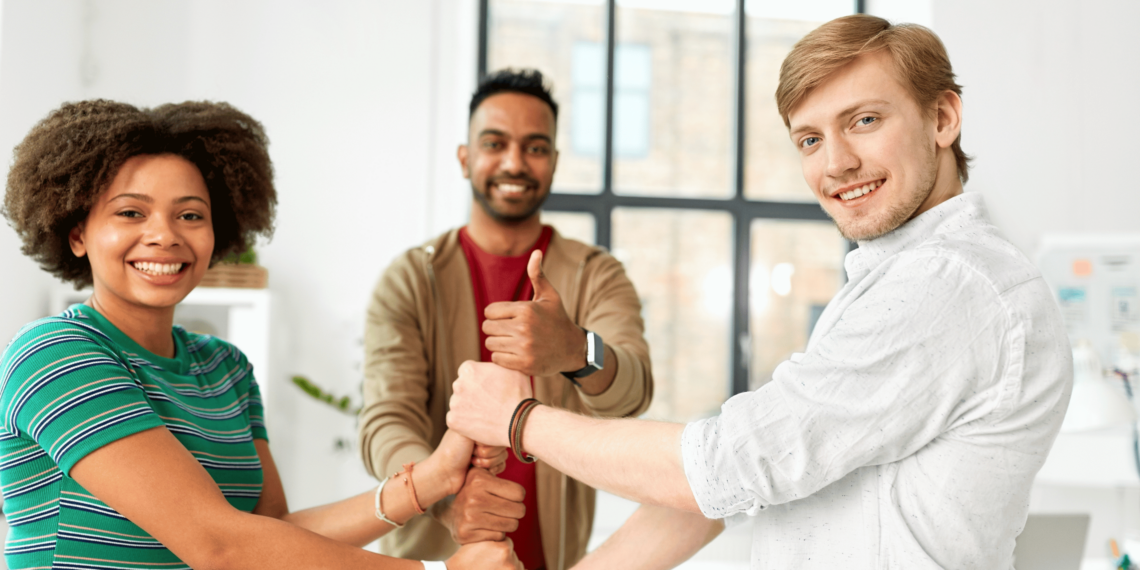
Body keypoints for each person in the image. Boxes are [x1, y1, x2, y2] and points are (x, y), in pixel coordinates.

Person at [447, 15, 1073, 569]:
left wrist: (518, 420)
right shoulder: (894, 282)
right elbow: (743, 482)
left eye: (865, 120)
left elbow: (732, 465)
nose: (837, 164)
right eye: (810, 139)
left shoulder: (945, 287)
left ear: (942, 118)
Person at [0, 99, 520, 570]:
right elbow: (220, 546)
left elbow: (269, 541)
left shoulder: (224, 367)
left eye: (190, 214)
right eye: (131, 212)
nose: (165, 234)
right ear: (76, 234)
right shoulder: (53, 355)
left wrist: (429, 481)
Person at [358, 68, 654, 569]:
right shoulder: (409, 279)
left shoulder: (595, 273)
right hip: (436, 560)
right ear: (465, 157)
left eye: (535, 147)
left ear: (554, 163)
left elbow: (632, 391)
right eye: (495, 143)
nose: (515, 162)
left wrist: (576, 351)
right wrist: (447, 501)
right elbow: (387, 420)